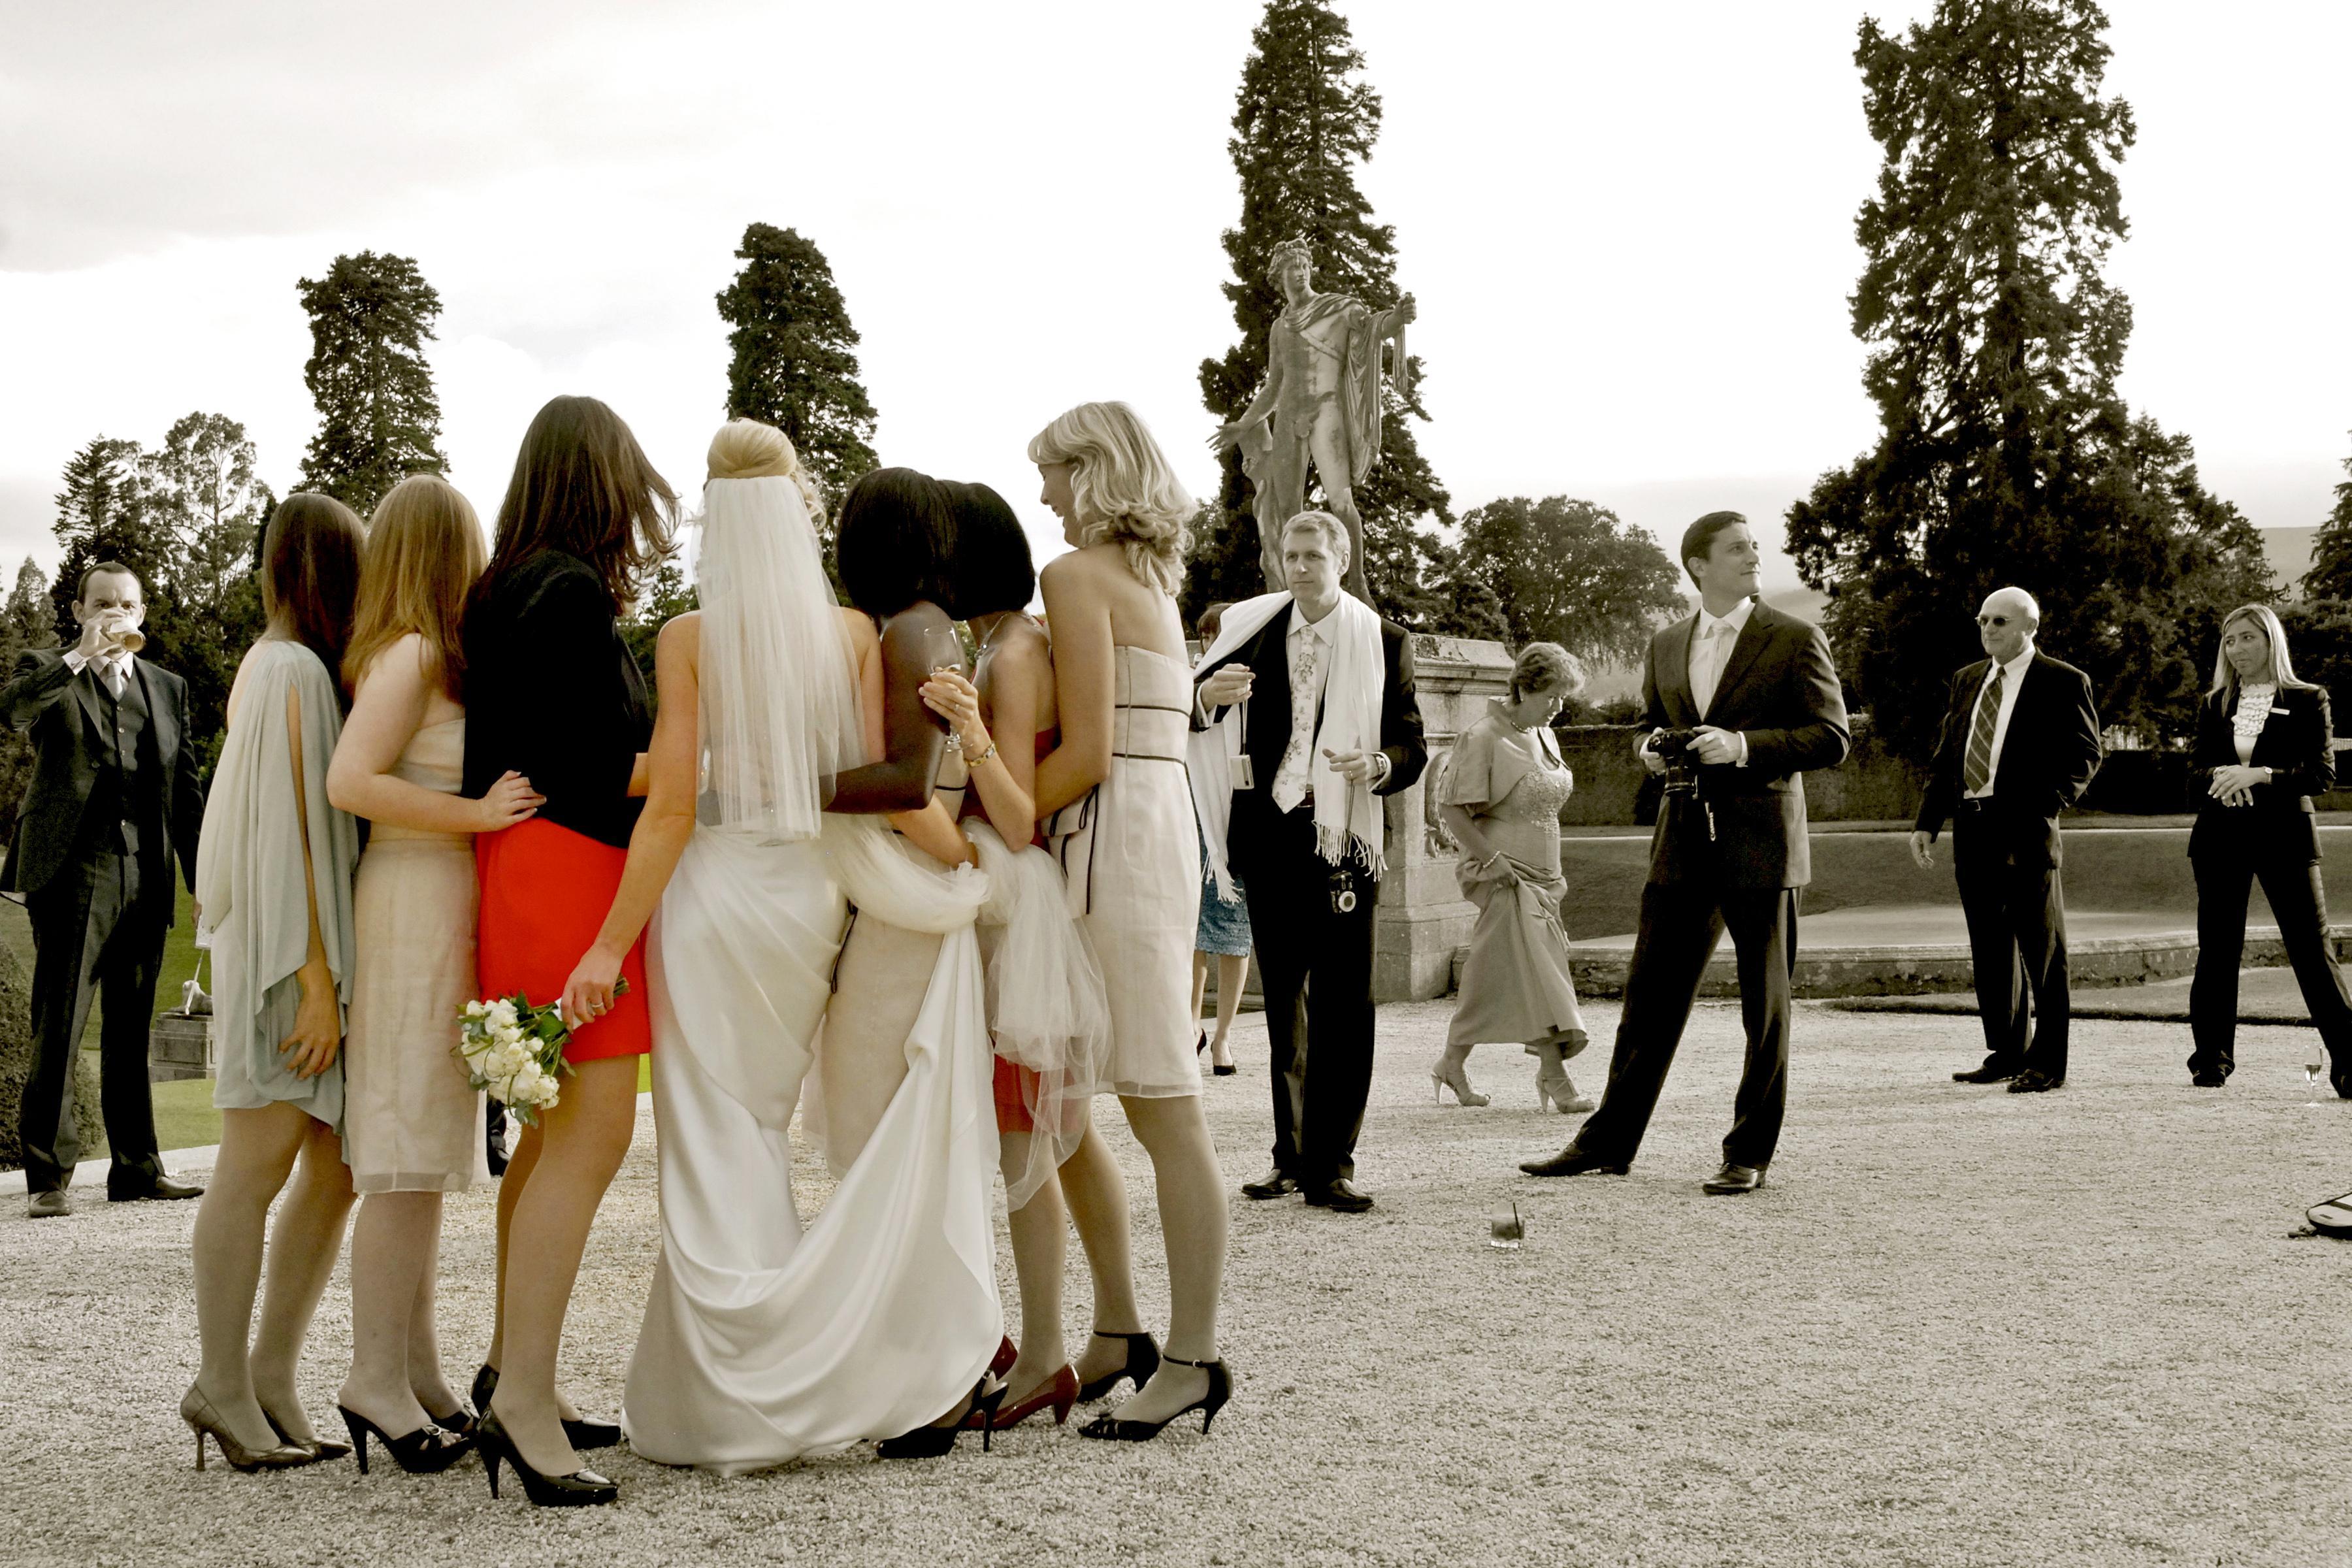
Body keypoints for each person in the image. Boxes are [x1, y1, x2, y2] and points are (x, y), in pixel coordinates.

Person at [613, 434, 1009, 1472]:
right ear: (796, 510)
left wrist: (609, 943)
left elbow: (671, 809)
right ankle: (762, 1376)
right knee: (759, 1117)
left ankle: (736, 1393)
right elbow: (893, 791)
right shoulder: (851, 632)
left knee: (715, 1135)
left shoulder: (687, 638)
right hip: (805, 898)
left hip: (714, 897)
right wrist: (966, 857)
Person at [461, 395, 676, 1507]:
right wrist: (700, 770)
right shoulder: (571, 590)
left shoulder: (501, 585)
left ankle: (513, 1371)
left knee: (550, 1139)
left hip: (521, 868)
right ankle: (524, 1402)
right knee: (590, 1137)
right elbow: (587, 764)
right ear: (603, 485)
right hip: (573, 871)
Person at [1521, 511, 1848, 1196]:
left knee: (1766, 1009)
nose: (1753, 556)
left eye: (1754, 546)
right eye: (1738, 548)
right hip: (1681, 843)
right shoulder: (1667, 642)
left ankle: (1748, 1153)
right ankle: (1608, 1143)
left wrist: (1744, 746)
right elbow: (1652, 722)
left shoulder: (1795, 637)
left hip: (1763, 847)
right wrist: (1647, 747)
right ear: (1699, 564)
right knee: (1648, 1001)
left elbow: (1831, 737)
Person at [326, 476, 539, 1474]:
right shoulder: (410, 654)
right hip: (413, 897)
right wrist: (477, 815)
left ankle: (417, 1374)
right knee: (407, 1151)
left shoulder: (422, 655)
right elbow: (351, 780)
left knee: (424, 1149)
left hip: (436, 898)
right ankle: (374, 1378)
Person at [1030, 400, 1233, 1441]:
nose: (1043, 495)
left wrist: (984, 813)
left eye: (1053, 473)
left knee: (1159, 1104)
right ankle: (1119, 1330)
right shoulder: (1152, 580)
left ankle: (1193, 1356)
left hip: (1115, 841)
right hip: (1148, 830)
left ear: (1092, 470)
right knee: (1063, 1094)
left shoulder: (1074, 577)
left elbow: (1083, 755)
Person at [919, 480, 1122, 1433]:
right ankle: (1074, 1332)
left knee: (1024, 1137)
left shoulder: (1015, 652)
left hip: (1012, 904)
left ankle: (1043, 1347)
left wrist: (966, 730)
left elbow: (1016, 812)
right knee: (1046, 1130)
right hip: (1003, 898)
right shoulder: (1000, 642)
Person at [182, 494, 366, 1472]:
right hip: (290, 957)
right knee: (253, 1168)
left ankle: (272, 1372)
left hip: (302, 948)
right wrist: (317, 980)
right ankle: (220, 1382)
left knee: (335, 1170)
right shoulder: (290, 669)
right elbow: (287, 835)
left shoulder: (278, 667)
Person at [1191, 510, 1428, 1215]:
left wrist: (1378, 763)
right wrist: (1205, 697)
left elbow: (1412, 744)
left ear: (1342, 560)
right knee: (1283, 1004)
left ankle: (1332, 1166)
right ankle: (1289, 1158)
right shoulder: (1251, 629)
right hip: (1268, 838)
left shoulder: (1384, 640)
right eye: (1290, 556)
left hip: (1341, 839)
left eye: (1312, 557)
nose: (1298, 568)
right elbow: (1188, 706)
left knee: (1344, 1004)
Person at [4, 561, 205, 1218]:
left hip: (146, 872)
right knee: (60, 1023)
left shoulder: (167, 687)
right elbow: (13, 713)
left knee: (130, 1028)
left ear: (141, 613)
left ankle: (137, 1169)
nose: (114, 613)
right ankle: (48, 1178)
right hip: (73, 870)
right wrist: (79, 657)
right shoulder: (48, 669)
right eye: (101, 604)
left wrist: (203, 881)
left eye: (125, 604)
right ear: (79, 610)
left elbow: (186, 792)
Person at [1908, 587, 2102, 1094]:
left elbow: (2086, 754)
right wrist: (1927, 822)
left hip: (2027, 829)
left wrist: (2044, 806)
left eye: (1999, 621)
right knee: (1991, 949)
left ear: (2029, 627)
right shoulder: (1967, 679)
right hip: (1972, 829)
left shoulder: (2063, 680)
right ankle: (2008, 1052)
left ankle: (2049, 1063)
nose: (1988, 629)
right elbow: (1948, 755)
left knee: (2044, 952)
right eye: (1983, 620)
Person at [2185, 605, 2352, 1092]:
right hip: (2220, 838)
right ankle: (2211, 1060)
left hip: (2286, 839)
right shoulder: (2215, 703)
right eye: (2229, 640)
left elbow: (2320, 775)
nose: (2235, 649)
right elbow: (2193, 774)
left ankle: (2349, 1061)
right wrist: (2221, 776)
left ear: (2270, 641)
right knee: (2217, 952)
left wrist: (2261, 775)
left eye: (2246, 638)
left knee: (2311, 951)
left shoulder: (2308, 699)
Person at [1209, 237, 1416, 602]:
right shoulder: (1280, 328)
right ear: (1279, 276)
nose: (1301, 272)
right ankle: (1294, 592)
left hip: (1327, 411)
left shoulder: (1337, 309)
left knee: (1342, 503)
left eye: (1305, 265)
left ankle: (1357, 584)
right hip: (1289, 417)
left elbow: (1372, 329)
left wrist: (1397, 318)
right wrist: (1244, 424)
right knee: (1288, 511)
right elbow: (1274, 387)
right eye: (1293, 267)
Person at [1433, 641, 1593, 1114]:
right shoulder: (1483, 736)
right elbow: (1450, 809)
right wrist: (1491, 860)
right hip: (1506, 874)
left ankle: (1451, 1063)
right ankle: (1554, 1074)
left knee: (1494, 972)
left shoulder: (1545, 734)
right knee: (1539, 971)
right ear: (1524, 688)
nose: (1559, 707)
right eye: (1552, 696)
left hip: (1545, 877)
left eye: (1564, 697)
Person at [1190, 601, 1248, 1077]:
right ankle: (1191, 1023)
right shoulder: (1187, 679)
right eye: (1209, 635)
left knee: (1235, 932)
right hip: (1193, 815)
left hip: (1239, 820)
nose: (1214, 643)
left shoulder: (1254, 680)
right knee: (1192, 928)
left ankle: (1224, 1035)